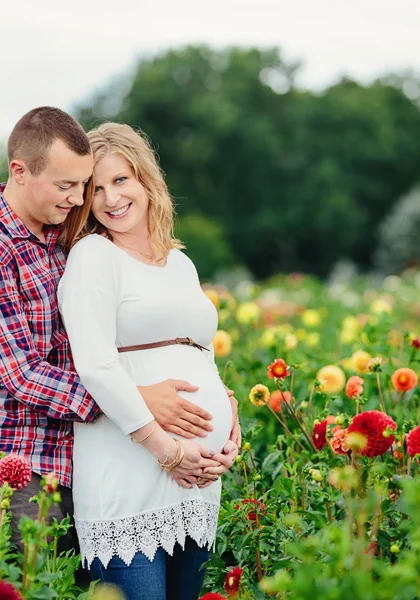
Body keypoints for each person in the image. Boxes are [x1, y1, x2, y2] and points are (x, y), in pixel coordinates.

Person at [0, 107, 240, 573]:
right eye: (70, 186)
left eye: (85, 184)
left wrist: (217, 398)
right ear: (19, 172)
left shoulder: (63, 235)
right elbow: (21, 373)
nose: (81, 197)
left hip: (86, 456)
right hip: (16, 467)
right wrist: (137, 400)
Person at [56, 122, 238, 600]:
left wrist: (230, 419)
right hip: (131, 468)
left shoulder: (179, 262)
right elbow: (94, 366)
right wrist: (168, 451)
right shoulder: (93, 256)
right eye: (96, 189)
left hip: (197, 477)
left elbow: (201, 349)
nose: (111, 199)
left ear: (146, 181)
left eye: (121, 181)